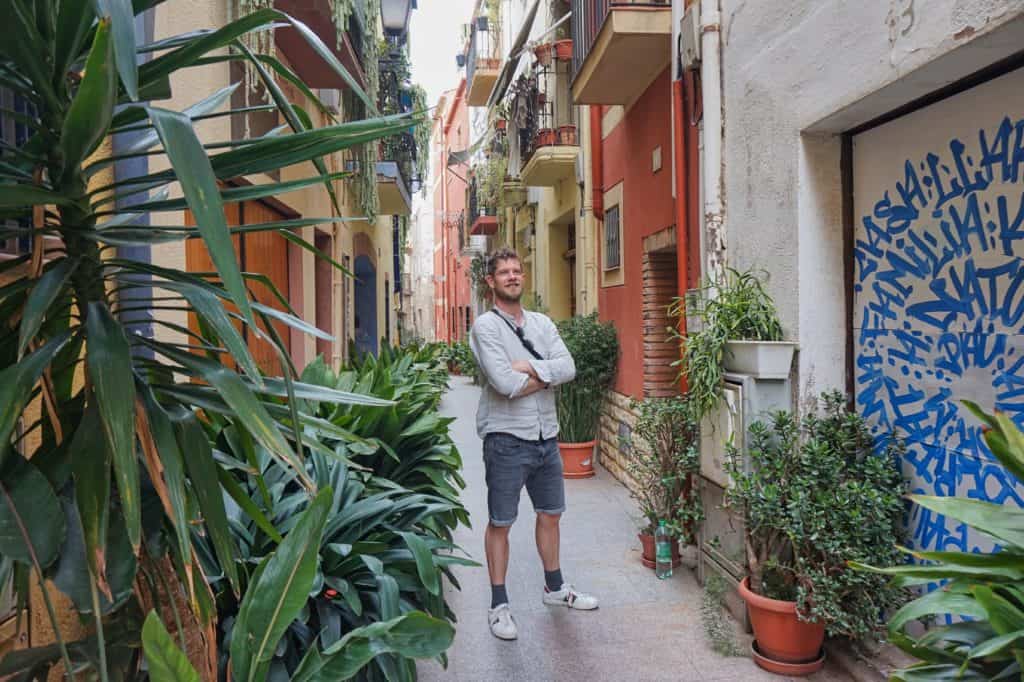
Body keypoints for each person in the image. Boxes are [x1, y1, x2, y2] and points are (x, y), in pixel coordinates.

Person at [468, 247, 598, 641]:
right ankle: (499, 604)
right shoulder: (485, 328)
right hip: (506, 439)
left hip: (546, 435)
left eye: (517, 270)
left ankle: (555, 589)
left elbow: (569, 367)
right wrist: (548, 374)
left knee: (551, 514)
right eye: (504, 272)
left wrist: (527, 367)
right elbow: (504, 386)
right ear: (490, 281)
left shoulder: (541, 323)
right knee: (501, 523)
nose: (512, 276)